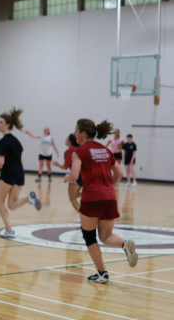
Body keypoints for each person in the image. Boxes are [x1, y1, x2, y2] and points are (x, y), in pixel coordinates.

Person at [65, 119, 138, 283]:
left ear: (83, 134)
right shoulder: (105, 149)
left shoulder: (79, 151)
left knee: (89, 236)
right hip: (110, 197)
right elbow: (119, 174)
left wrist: (66, 177)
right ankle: (124, 243)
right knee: (106, 235)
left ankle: (102, 273)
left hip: (92, 198)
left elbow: (74, 176)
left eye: (76, 130)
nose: (74, 133)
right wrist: (106, 187)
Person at [0, 107, 41, 238]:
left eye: (1, 122)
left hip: (8, 175)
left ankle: (9, 230)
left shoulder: (3, 141)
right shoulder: (16, 141)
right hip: (20, 175)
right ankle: (29, 198)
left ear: (7, 125)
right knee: (11, 205)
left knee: (0, 202)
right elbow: (21, 159)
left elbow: (1, 162)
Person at [53, 134, 82, 222]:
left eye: (66, 138)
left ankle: (83, 216)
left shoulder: (70, 151)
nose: (65, 140)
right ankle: (83, 215)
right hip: (84, 176)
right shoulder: (79, 149)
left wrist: (58, 165)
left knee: (72, 198)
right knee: (76, 195)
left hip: (76, 175)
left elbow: (65, 167)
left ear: (69, 141)